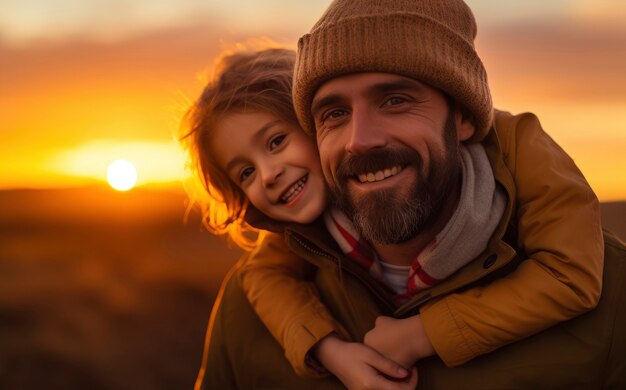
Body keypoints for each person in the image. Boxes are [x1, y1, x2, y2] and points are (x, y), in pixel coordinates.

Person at [193, 1, 626, 389]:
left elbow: (572, 277)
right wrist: (325, 349)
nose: (359, 141)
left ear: (463, 118)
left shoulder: (613, 297)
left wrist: (426, 333)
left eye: (396, 99)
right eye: (335, 113)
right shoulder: (251, 307)